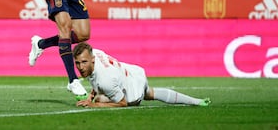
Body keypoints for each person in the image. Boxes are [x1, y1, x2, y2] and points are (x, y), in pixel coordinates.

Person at [73, 42, 211, 107]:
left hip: (132, 93)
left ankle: (196, 102)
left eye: (84, 62)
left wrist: (93, 105)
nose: (80, 67)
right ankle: (197, 101)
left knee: (100, 101)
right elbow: (95, 78)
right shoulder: (94, 52)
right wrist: (90, 96)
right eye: (77, 63)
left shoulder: (105, 80)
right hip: (134, 72)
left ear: (92, 60)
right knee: (150, 93)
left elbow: (123, 103)